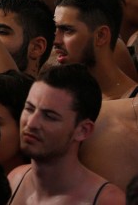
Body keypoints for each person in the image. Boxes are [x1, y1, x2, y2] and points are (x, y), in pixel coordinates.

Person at [8, 64, 126, 204]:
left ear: (83, 130)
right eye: (29, 108)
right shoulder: (14, 179)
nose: (31, 123)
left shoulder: (109, 201)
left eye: (49, 116)